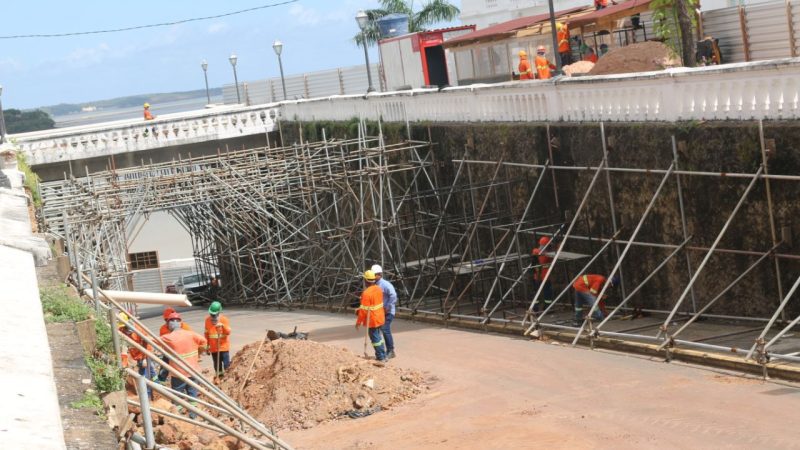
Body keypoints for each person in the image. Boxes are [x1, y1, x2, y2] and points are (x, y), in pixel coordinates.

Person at [161, 312, 207, 418]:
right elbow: (204, 342)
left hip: (178, 374)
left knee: (177, 396)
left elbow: (152, 340)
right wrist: (199, 351)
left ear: (169, 324)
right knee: (193, 396)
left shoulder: (168, 337)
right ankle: (193, 416)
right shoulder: (191, 334)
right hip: (193, 371)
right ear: (180, 323)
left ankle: (179, 417)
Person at [117, 312, 155, 396]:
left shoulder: (138, 329)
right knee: (149, 372)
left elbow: (148, 343)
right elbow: (123, 345)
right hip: (137, 355)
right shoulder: (122, 329)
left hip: (144, 354)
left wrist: (145, 358)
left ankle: (148, 395)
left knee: (145, 376)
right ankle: (157, 384)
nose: (123, 328)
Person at [356, 270, 387, 362]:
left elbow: (363, 311)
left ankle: (380, 357)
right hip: (380, 317)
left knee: (375, 338)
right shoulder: (379, 289)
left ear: (365, 280)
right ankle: (383, 355)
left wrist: (358, 322)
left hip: (372, 319)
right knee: (379, 337)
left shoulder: (366, 293)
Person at [157, 307, 193, 382]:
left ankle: (190, 381)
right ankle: (161, 381)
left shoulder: (185, 327)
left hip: (182, 352)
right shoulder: (163, 329)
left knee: (186, 369)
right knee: (164, 367)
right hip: (169, 352)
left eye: (169, 320)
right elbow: (162, 341)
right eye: (166, 320)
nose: (168, 322)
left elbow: (190, 339)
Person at [371, 264, 398, 359]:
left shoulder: (385, 284)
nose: (373, 277)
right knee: (378, 331)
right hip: (380, 313)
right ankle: (382, 352)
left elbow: (393, 295)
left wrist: (387, 307)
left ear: (379, 274)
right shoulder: (374, 285)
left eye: (374, 274)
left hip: (388, 312)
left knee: (385, 329)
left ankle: (391, 351)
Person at [204, 301, 231, 377]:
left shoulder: (224, 319)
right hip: (213, 348)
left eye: (214, 314)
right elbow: (206, 334)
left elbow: (228, 332)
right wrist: (207, 347)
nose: (212, 315)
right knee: (217, 365)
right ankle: (219, 378)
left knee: (226, 365)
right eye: (211, 314)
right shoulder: (207, 320)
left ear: (219, 312)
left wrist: (222, 326)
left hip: (223, 347)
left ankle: (227, 379)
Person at [531, 236, 555, 313]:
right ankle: (544, 308)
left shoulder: (537, 251)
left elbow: (536, 251)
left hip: (539, 276)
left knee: (540, 292)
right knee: (546, 292)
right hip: (543, 276)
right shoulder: (545, 254)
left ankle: (538, 308)